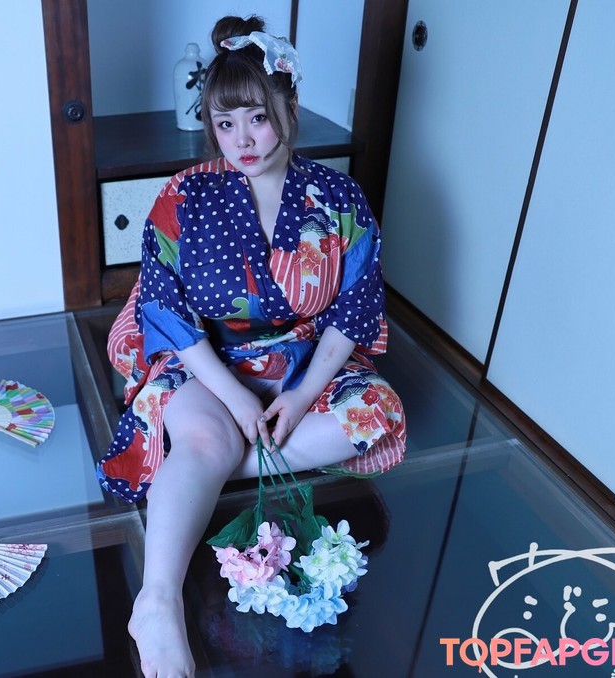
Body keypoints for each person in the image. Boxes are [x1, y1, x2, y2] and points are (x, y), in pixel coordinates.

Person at [96, 15, 407, 678]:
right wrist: (236, 399)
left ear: (290, 108)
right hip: (206, 361)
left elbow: (353, 309)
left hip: (304, 360)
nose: (241, 139)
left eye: (258, 118)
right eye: (224, 121)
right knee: (207, 433)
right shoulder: (183, 197)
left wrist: (300, 395)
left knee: (374, 414)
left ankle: (204, 468)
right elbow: (166, 310)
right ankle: (157, 602)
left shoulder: (338, 198)